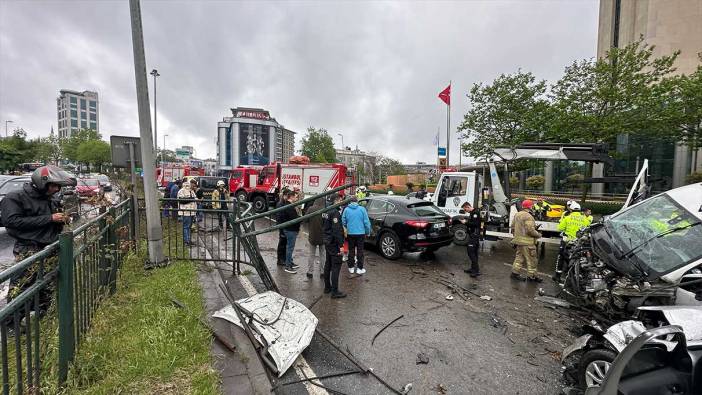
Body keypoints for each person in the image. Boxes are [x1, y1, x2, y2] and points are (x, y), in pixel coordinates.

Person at [0, 165, 76, 307]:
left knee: (47, 287)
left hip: (50, 248)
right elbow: (11, 221)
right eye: (53, 186)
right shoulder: (15, 198)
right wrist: (50, 218)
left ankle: (41, 317)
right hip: (28, 249)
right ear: (42, 182)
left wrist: (63, 219)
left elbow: (52, 221)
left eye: (58, 187)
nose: (56, 190)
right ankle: (13, 325)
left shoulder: (50, 199)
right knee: (22, 290)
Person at [554, 202, 590, 281]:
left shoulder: (567, 218)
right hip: (578, 243)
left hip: (567, 242)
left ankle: (557, 276)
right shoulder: (585, 219)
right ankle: (572, 276)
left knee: (561, 258)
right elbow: (587, 229)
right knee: (575, 259)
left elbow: (559, 228)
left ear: (572, 210)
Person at [510, 199, 543, 283]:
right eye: (532, 206)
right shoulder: (529, 216)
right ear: (530, 207)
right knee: (532, 260)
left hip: (519, 242)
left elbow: (512, 227)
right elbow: (530, 230)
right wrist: (538, 234)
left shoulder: (517, 214)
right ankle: (532, 277)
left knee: (519, 258)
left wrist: (516, 236)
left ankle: (515, 273)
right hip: (528, 243)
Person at [323, 192, 347, 298]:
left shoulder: (326, 210)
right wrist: (341, 245)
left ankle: (327, 287)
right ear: (336, 200)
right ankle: (335, 291)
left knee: (328, 264)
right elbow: (337, 230)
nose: (341, 202)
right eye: (340, 200)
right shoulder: (335, 213)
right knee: (336, 267)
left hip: (328, 241)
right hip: (334, 243)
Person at [341, 196, 371, 275]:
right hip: (361, 233)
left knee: (351, 250)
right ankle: (359, 268)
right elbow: (366, 222)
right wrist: (367, 231)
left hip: (350, 233)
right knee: (360, 251)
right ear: (357, 202)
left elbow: (343, 221)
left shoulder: (346, 210)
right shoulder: (362, 209)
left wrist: (347, 227)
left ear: (350, 202)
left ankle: (351, 268)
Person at [278, 191, 301, 274]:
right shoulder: (289, 207)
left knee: (289, 248)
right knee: (289, 248)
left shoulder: (288, 205)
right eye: (295, 197)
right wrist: (300, 219)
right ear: (291, 197)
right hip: (291, 230)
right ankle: (288, 266)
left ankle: (290, 262)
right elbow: (294, 218)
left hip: (290, 229)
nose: (296, 198)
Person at [459, 202, 482, 278]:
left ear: (468, 206)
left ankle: (476, 271)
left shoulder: (475, 213)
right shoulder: (473, 212)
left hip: (474, 235)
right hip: (473, 235)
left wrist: (465, 222)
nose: (465, 210)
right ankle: (473, 268)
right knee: (474, 252)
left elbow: (475, 224)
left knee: (471, 252)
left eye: (465, 209)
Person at [305, 197, 326, 279]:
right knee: (323, 255)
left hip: (313, 235)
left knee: (311, 254)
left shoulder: (311, 209)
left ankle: (310, 272)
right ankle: (322, 272)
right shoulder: (325, 209)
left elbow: (305, 220)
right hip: (323, 236)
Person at [177, 179, 197, 246]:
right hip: (186, 211)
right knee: (186, 227)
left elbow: (194, 199)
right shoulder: (182, 191)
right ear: (190, 184)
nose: (194, 186)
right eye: (193, 184)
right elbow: (181, 201)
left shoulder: (191, 191)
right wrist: (192, 199)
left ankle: (188, 240)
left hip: (191, 211)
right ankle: (186, 241)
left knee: (189, 227)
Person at [275, 188, 291, 266]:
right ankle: (280, 260)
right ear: (285, 195)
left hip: (285, 226)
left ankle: (283, 258)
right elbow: (279, 217)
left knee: (284, 243)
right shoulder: (280, 204)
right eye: (288, 195)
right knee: (282, 243)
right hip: (282, 226)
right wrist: (282, 227)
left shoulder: (284, 203)